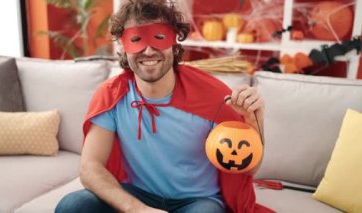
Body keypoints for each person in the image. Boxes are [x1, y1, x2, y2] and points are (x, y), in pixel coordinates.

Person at [56, 0, 273, 212]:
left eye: (159, 38)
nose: (148, 51)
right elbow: (90, 167)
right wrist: (137, 209)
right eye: (136, 40)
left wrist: (254, 121)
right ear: (123, 46)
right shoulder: (112, 95)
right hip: (137, 194)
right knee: (72, 206)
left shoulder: (213, 96)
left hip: (198, 200)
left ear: (174, 43)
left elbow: (249, 166)